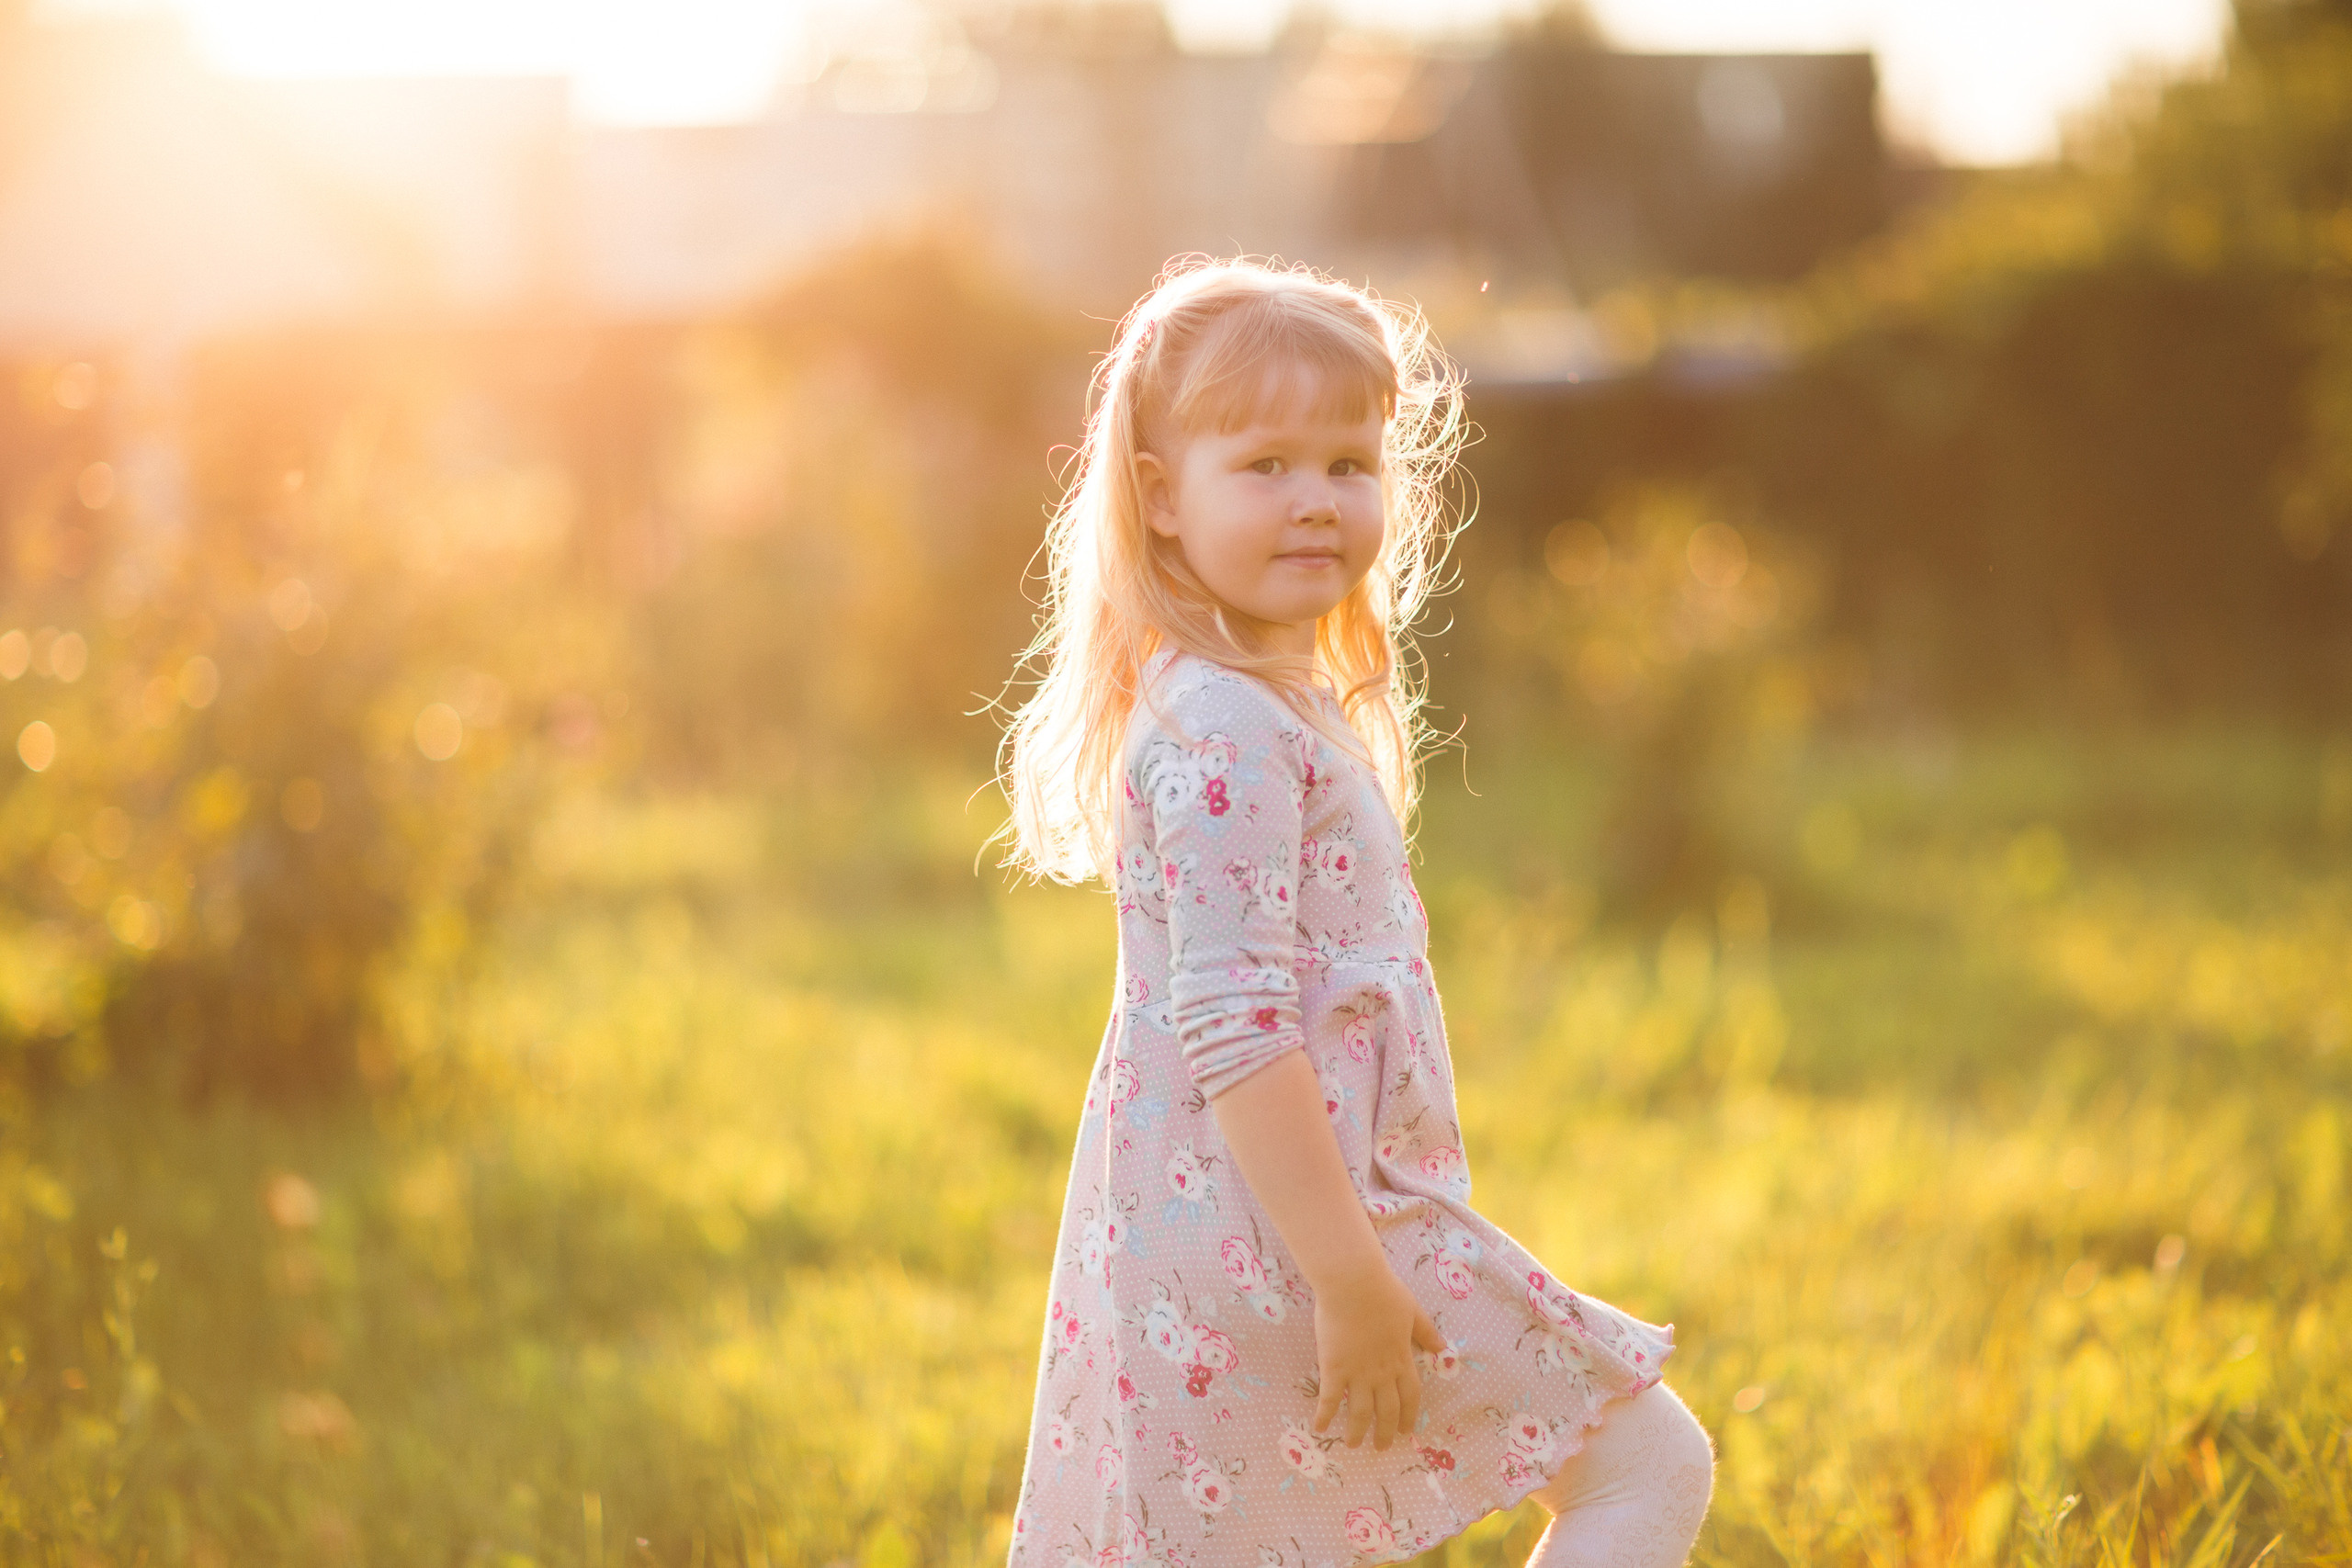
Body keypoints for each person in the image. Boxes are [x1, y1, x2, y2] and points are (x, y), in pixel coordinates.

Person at [996, 257, 1714, 1568]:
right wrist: (1347, 1280)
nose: (1316, 500)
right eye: (1264, 464)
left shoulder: (1258, 704)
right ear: (1160, 499)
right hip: (1308, 1234)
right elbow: (1235, 1027)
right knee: (1649, 1463)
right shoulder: (1225, 727)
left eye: (1348, 462)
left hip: (1244, 1229)